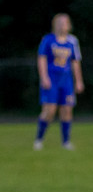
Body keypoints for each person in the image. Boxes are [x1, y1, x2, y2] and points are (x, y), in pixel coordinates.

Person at [34, 13, 84, 151]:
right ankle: (39, 139)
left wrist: (78, 81)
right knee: (49, 110)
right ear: (55, 25)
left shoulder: (72, 41)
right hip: (51, 79)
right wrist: (44, 77)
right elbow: (42, 58)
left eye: (65, 23)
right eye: (60, 23)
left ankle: (66, 142)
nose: (63, 25)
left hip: (66, 80)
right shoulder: (48, 40)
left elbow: (75, 62)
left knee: (67, 110)